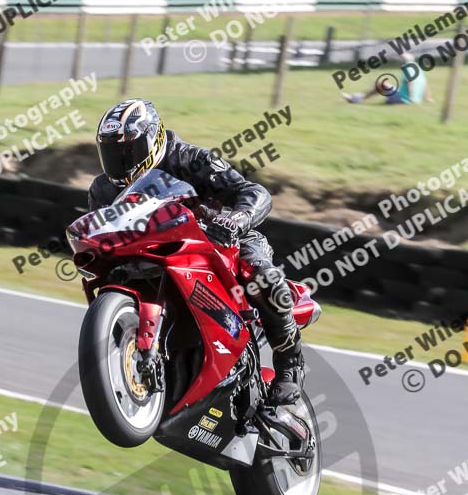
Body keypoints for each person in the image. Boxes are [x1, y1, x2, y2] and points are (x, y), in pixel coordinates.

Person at [88, 99, 303, 405]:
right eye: (110, 154)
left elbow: (254, 192)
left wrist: (236, 219)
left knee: (260, 273)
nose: (119, 162)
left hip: (218, 240)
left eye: (127, 151)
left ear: (153, 139)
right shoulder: (102, 190)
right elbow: (102, 236)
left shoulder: (191, 160)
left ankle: (289, 362)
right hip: (149, 255)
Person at [342, 53, 434, 105]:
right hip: (411, 99)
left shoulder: (407, 68)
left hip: (405, 100)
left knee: (382, 84)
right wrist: (428, 98)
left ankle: (356, 98)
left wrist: (410, 99)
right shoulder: (418, 69)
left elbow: (411, 82)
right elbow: (425, 84)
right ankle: (358, 97)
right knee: (382, 85)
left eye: (401, 61)